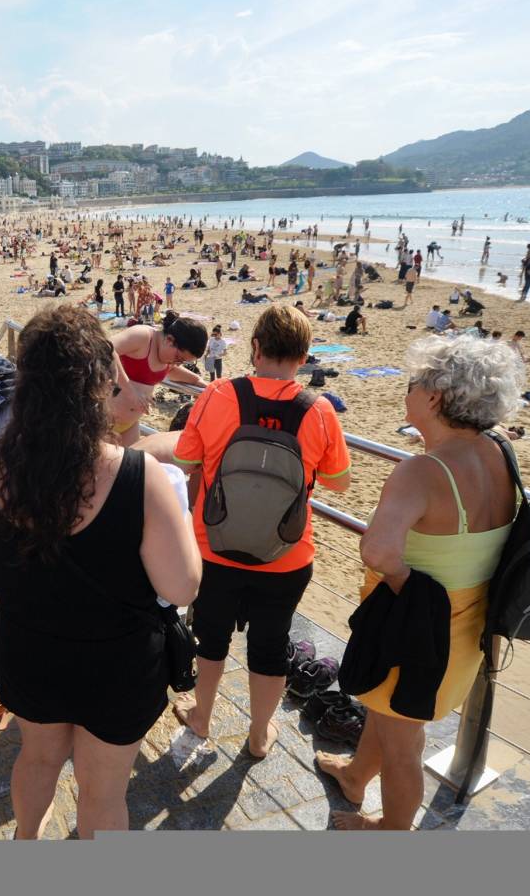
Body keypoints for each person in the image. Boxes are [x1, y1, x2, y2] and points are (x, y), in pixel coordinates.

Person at [0, 305, 201, 838]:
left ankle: (26, 840)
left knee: (37, 759)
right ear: (101, 383)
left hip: (31, 651)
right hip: (120, 665)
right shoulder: (141, 477)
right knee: (104, 791)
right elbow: (181, 586)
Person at [315, 335, 525, 830]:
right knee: (390, 713)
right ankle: (354, 775)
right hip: (470, 620)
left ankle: (390, 831)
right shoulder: (498, 450)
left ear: (433, 397)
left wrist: (408, 580)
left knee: (403, 741)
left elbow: (378, 551)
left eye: (412, 384)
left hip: (418, 624)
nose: (406, 392)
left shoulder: (422, 471)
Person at [172, 305, 352, 759]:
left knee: (210, 639)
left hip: (213, 547)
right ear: (305, 354)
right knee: (270, 647)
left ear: (255, 348)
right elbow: (339, 480)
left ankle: (202, 718)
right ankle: (258, 735)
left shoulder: (216, 395)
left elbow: (187, 461)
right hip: (286, 555)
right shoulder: (320, 410)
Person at [108, 311, 206, 446]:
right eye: (178, 358)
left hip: (129, 425)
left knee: (128, 465)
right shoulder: (143, 336)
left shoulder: (167, 359)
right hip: (103, 420)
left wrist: (198, 382)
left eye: (182, 362)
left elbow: (171, 370)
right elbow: (107, 348)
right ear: (169, 340)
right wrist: (130, 391)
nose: (176, 363)